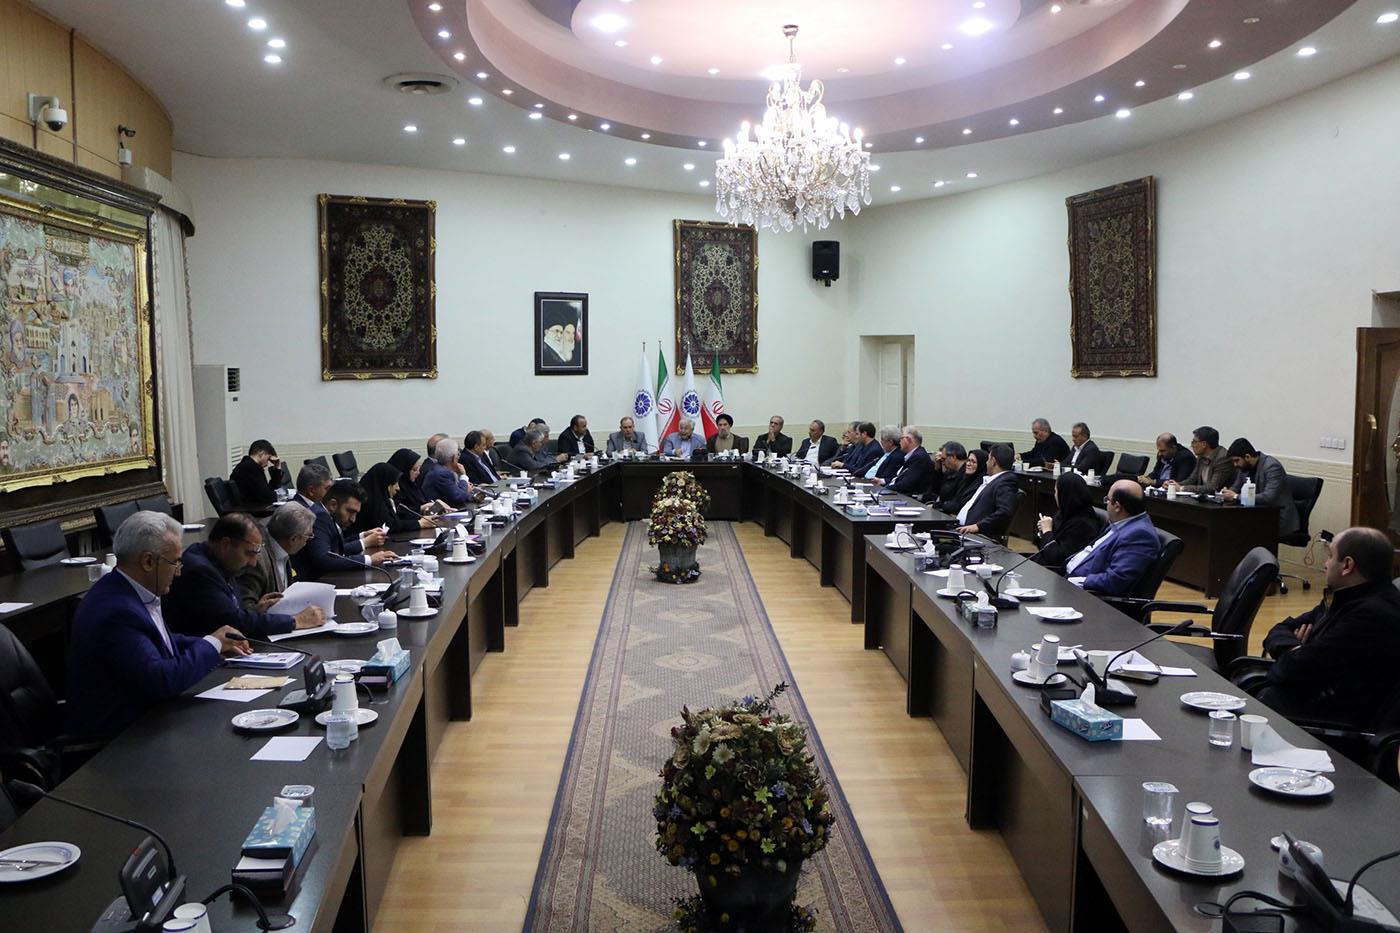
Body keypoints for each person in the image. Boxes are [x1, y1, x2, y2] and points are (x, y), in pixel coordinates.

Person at [65, 511, 251, 738]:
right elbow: (162, 680)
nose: (178, 572)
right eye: (175, 562)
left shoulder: (129, 589)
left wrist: (213, 643)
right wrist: (212, 644)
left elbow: (158, 641)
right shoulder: (117, 611)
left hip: (150, 718)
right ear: (148, 561)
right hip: (121, 737)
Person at [1257, 527, 1400, 723]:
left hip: (1326, 724)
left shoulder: (1370, 617)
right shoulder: (1347, 596)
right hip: (1308, 700)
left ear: (1347, 565)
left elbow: (1290, 671)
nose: (1325, 564)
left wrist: (1295, 654)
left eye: (1330, 556)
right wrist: (1295, 649)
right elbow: (1281, 629)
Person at [166, 512, 324, 638]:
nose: (253, 563)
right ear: (226, 544)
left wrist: (255, 611)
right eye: (250, 553)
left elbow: (231, 614)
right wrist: (296, 621)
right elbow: (234, 622)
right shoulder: (200, 571)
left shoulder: (220, 560)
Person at [1065, 480, 1160, 595]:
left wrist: (1072, 582)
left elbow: (1116, 580)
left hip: (1085, 594)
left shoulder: (1140, 535)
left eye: (1107, 499)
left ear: (1117, 507)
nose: (1106, 503)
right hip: (1068, 578)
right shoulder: (1122, 521)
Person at [292, 480, 396, 580]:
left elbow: (336, 548)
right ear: (333, 505)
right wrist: (370, 560)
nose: (353, 519)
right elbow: (325, 559)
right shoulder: (319, 517)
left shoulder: (325, 514)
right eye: (350, 512)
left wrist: (362, 536)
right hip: (313, 582)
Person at [237, 502, 315, 611]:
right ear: (293, 539)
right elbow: (247, 610)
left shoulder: (281, 547)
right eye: (308, 536)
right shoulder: (257, 560)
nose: (307, 541)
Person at [1031, 472, 1106, 574]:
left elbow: (1055, 558)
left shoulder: (1083, 525)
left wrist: (1047, 531)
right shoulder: (1064, 513)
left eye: (1056, 491)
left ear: (1064, 495)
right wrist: (1042, 532)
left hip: (1058, 575)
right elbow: (1044, 548)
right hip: (1043, 565)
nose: (1055, 495)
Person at [1222, 438, 1299, 535]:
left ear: (1247, 456)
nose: (1235, 464)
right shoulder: (1244, 468)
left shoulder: (1271, 466)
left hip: (1277, 518)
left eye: (1236, 460)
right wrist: (1226, 493)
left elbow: (1268, 497)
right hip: (1256, 515)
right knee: (1226, 525)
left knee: (1236, 530)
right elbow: (1235, 488)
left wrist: (1235, 496)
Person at [352, 461, 436, 535]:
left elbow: (396, 521)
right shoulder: (370, 503)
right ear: (386, 483)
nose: (398, 488)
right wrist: (419, 523)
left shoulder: (382, 499)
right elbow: (390, 526)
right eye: (395, 483)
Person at [955, 444, 1019, 537]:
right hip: (962, 528)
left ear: (993, 461)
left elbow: (1005, 511)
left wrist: (978, 526)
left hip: (974, 534)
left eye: (988, 459)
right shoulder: (994, 479)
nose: (986, 463)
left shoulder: (1006, 481)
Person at [1171, 426, 1237, 495]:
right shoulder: (1201, 456)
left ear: (1204, 444)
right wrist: (1173, 485)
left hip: (1220, 499)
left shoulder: (1222, 459)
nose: (1192, 445)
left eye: (1194, 442)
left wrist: (1182, 488)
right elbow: (1192, 479)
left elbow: (1212, 488)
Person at [421, 438, 483, 508]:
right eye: (458, 454)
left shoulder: (439, 468)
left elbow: (457, 491)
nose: (459, 457)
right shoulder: (442, 473)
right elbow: (458, 496)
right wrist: (463, 476)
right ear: (454, 458)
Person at [877, 427, 934, 496]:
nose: (899, 441)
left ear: (908, 439)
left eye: (901, 438)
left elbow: (906, 485)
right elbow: (899, 479)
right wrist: (882, 481)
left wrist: (884, 489)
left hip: (909, 497)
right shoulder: (913, 455)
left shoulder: (919, 458)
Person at [229, 439, 284, 506]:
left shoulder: (250, 466)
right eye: (268, 458)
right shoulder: (249, 468)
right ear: (261, 453)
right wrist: (280, 496)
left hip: (255, 506)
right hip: (252, 509)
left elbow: (268, 490)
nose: (267, 463)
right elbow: (267, 496)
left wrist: (277, 467)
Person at [928, 442, 970, 507]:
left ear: (953, 457)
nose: (943, 462)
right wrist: (938, 470)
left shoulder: (966, 475)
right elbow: (935, 491)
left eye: (943, 459)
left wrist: (939, 505)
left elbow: (954, 500)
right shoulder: (951, 472)